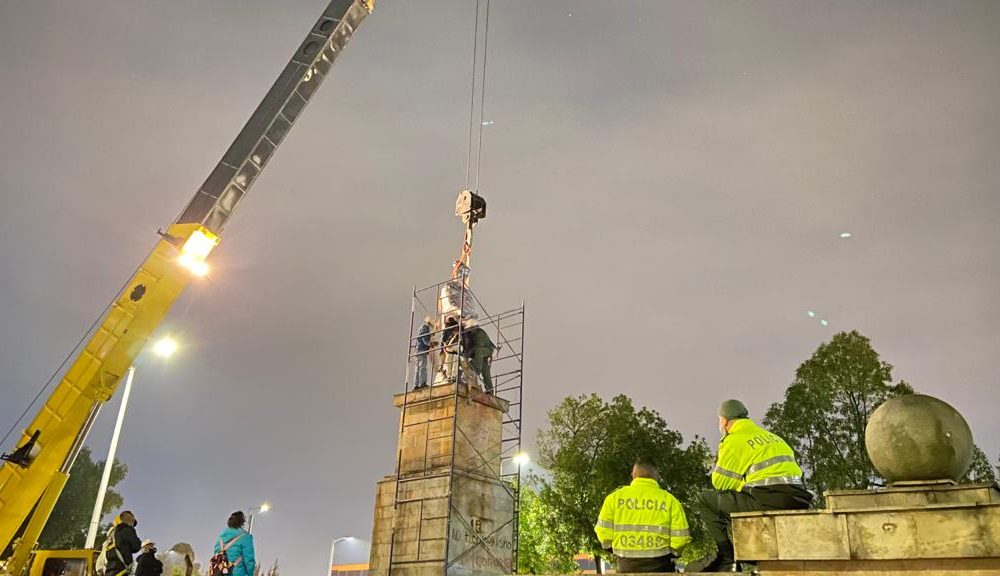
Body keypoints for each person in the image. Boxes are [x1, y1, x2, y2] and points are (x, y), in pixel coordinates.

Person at [695, 399, 813, 572]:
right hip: (798, 500)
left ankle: (728, 559)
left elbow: (719, 482)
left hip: (767, 501)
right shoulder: (773, 437)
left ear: (725, 421)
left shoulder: (733, 440)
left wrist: (740, 484)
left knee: (705, 499)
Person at [594, 460, 691, 573]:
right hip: (660, 566)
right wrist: (674, 553)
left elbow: (603, 534)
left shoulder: (614, 498)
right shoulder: (670, 501)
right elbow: (681, 540)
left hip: (626, 566)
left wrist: (615, 550)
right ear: (656, 476)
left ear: (633, 475)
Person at [214, 511, 256, 576]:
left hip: (219, 573)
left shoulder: (221, 536)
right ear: (242, 522)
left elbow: (216, 554)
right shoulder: (246, 537)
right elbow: (249, 560)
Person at [463, 320, 498, 394]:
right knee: (485, 371)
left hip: (487, 350)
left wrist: (468, 354)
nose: (471, 330)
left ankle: (477, 370)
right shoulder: (470, 335)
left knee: (478, 352)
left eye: (472, 328)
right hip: (481, 354)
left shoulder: (480, 334)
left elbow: (478, 347)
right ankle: (490, 390)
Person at [103, 511, 142, 576]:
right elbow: (136, 547)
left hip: (109, 571)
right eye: (133, 523)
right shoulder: (128, 530)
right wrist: (139, 541)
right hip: (121, 571)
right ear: (131, 521)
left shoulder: (112, 534)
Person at [413, 316, 434, 389]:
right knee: (422, 367)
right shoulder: (425, 328)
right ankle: (422, 383)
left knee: (418, 368)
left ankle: (416, 385)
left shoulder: (423, 328)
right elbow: (424, 339)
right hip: (422, 350)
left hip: (418, 350)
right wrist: (430, 344)